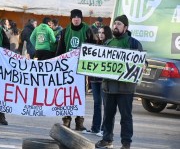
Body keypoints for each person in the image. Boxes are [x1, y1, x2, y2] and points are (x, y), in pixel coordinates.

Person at [95, 15, 143, 149]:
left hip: (125, 89)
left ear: (126, 27)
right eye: (115, 23)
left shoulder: (133, 43)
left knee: (126, 117)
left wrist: (143, 65)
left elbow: (141, 62)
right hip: (109, 87)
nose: (115, 26)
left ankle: (126, 143)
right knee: (108, 116)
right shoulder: (107, 43)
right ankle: (106, 139)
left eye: (119, 24)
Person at [56, 9, 94, 131]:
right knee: (67, 95)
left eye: (78, 17)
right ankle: (66, 120)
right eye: (74, 17)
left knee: (80, 95)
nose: (76, 19)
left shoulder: (87, 30)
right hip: (68, 69)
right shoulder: (65, 31)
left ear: (81, 18)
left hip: (82, 69)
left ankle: (79, 122)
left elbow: (94, 48)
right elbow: (60, 49)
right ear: (71, 19)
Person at [83, 26, 112, 137]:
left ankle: (104, 129)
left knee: (106, 104)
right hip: (95, 79)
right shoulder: (95, 45)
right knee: (97, 104)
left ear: (107, 34)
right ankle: (95, 128)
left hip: (104, 80)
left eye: (103, 33)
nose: (100, 34)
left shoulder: (110, 45)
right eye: (99, 32)